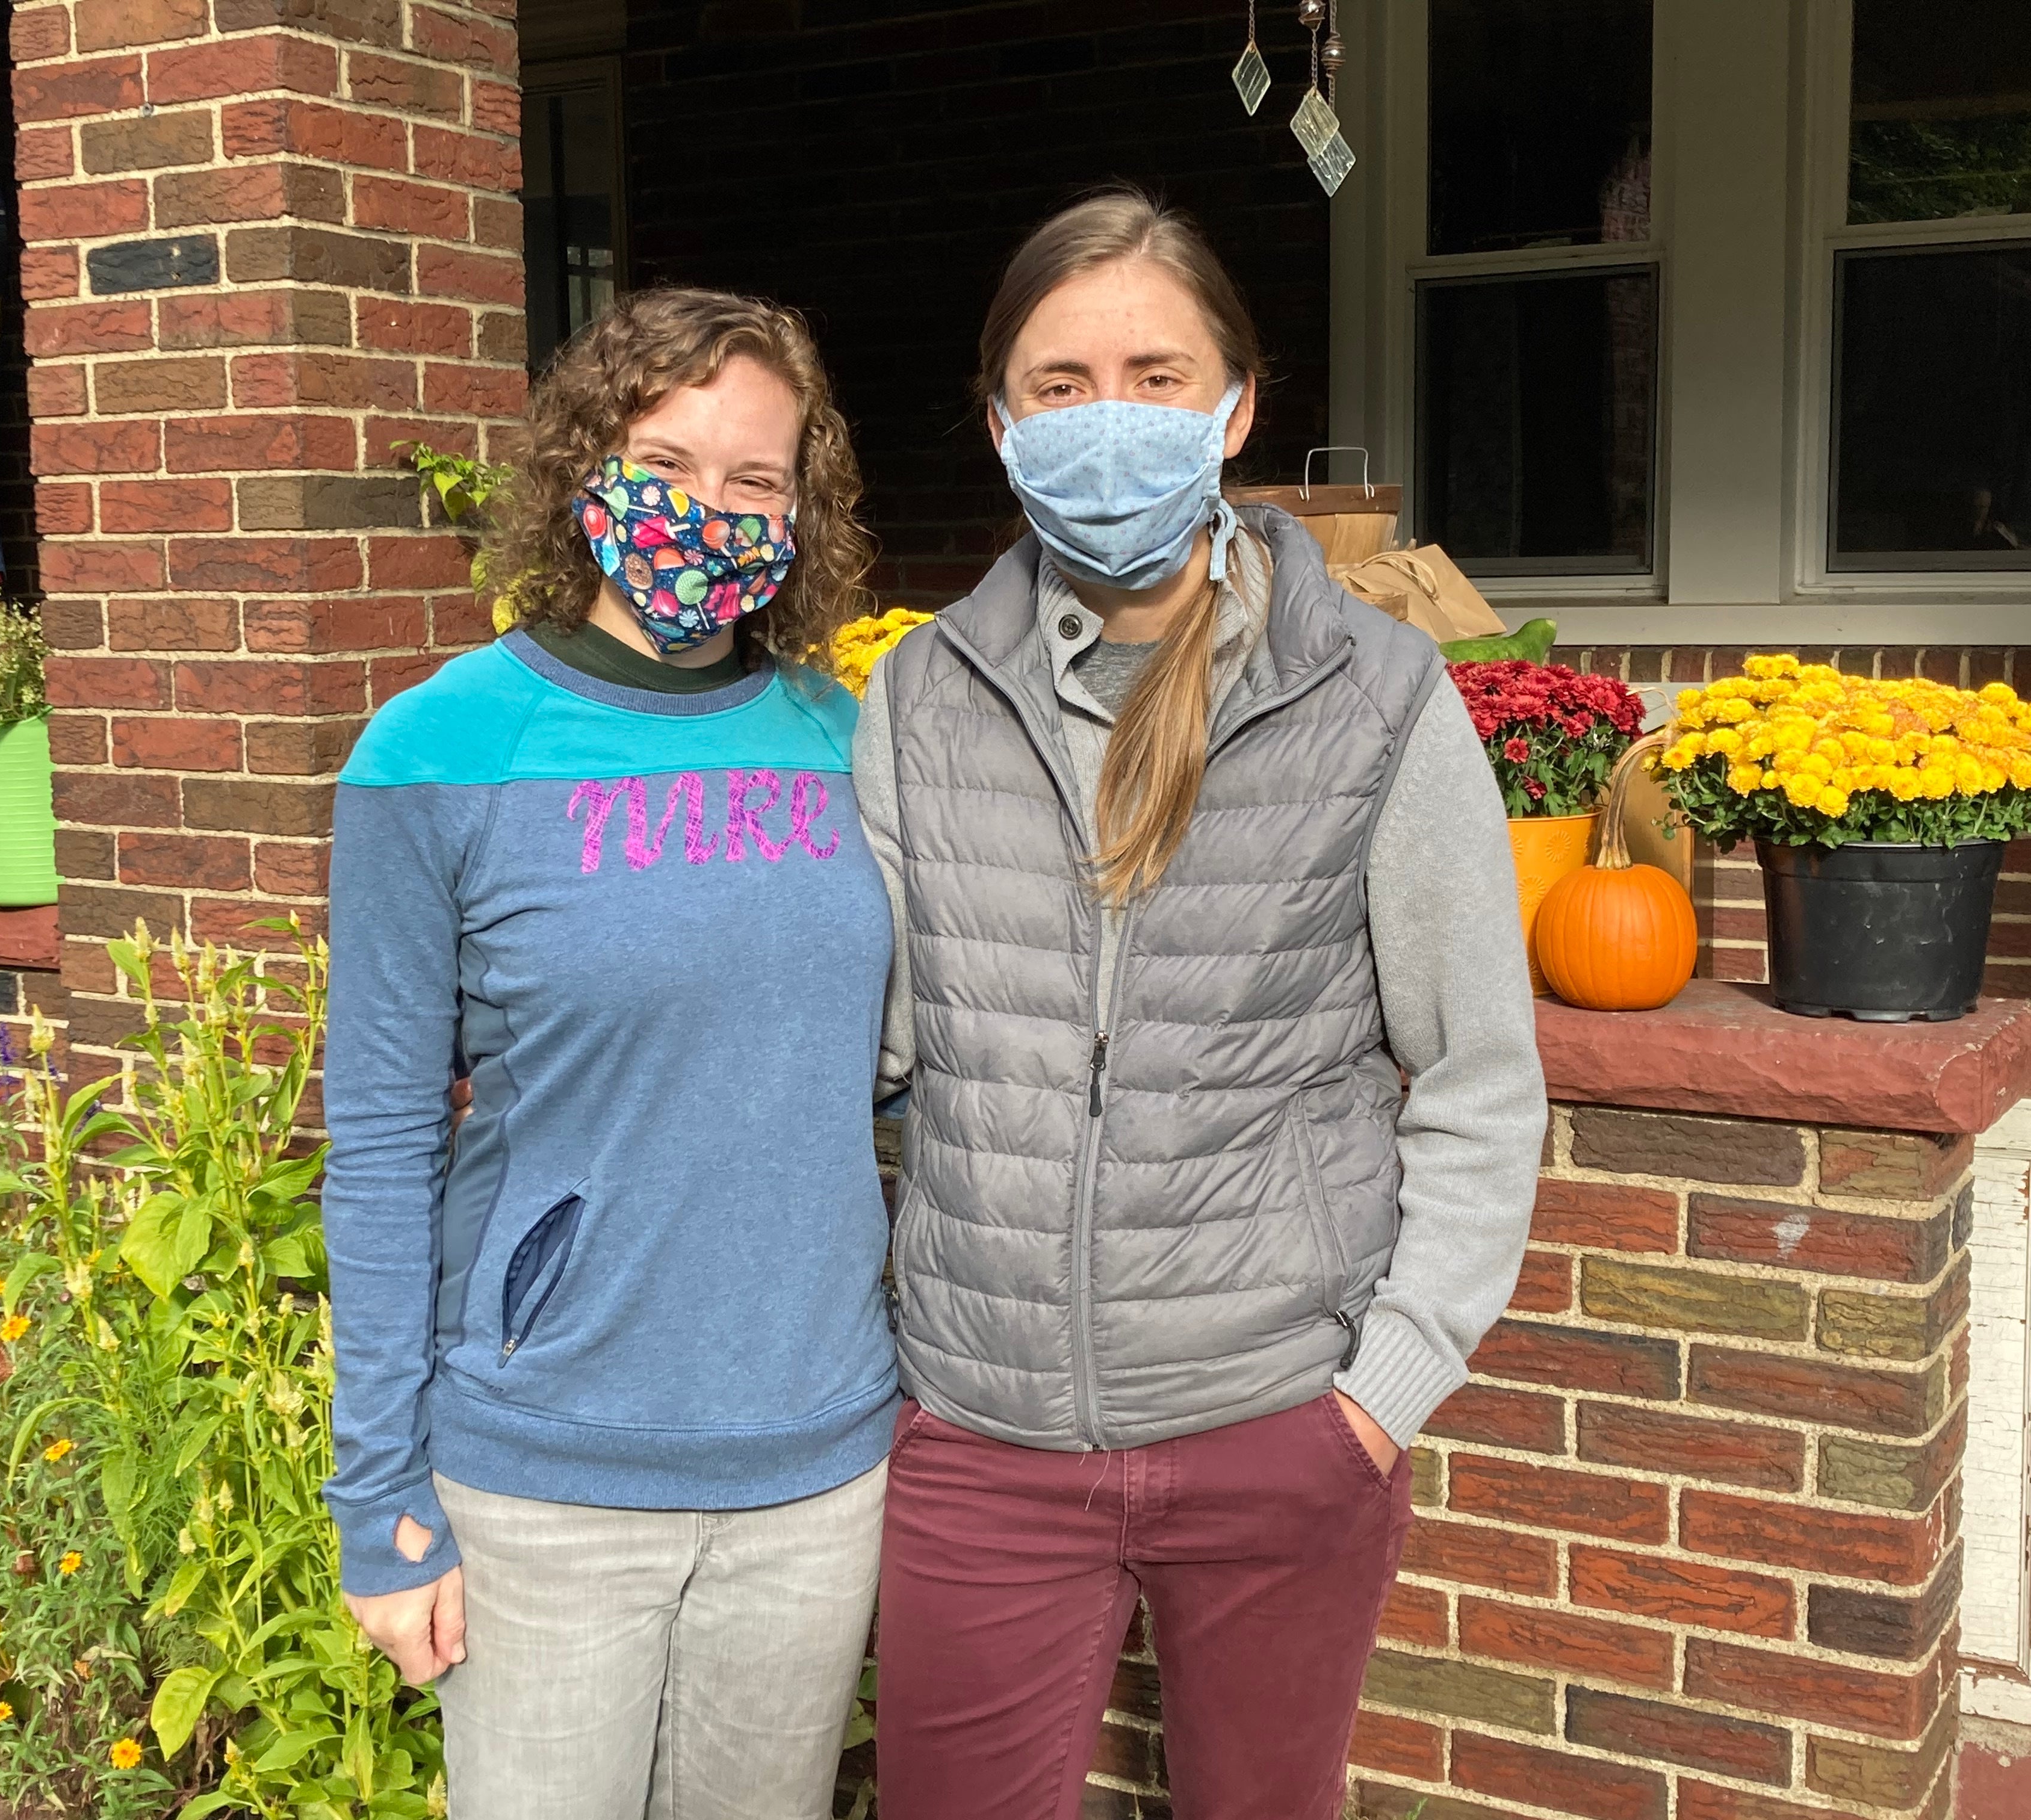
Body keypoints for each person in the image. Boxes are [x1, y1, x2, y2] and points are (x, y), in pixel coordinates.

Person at [855, 188, 1546, 1820]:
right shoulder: (917, 698)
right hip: (979, 1430)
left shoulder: (1375, 698)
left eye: (1158, 376)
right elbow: (857, 1049)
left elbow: (1476, 1074)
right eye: (1062, 382)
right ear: (1002, 423)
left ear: (1239, 407)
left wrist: (1381, 1393)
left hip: (1277, 1424)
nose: (1113, 419)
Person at [321, 287, 896, 1820]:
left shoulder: (854, 746)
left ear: (802, 507)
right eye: (666, 458)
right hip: (547, 1476)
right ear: (587, 474)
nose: (708, 509)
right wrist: (378, 1495)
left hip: (815, 1467)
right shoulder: (440, 752)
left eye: (755, 479)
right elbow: (381, 1145)